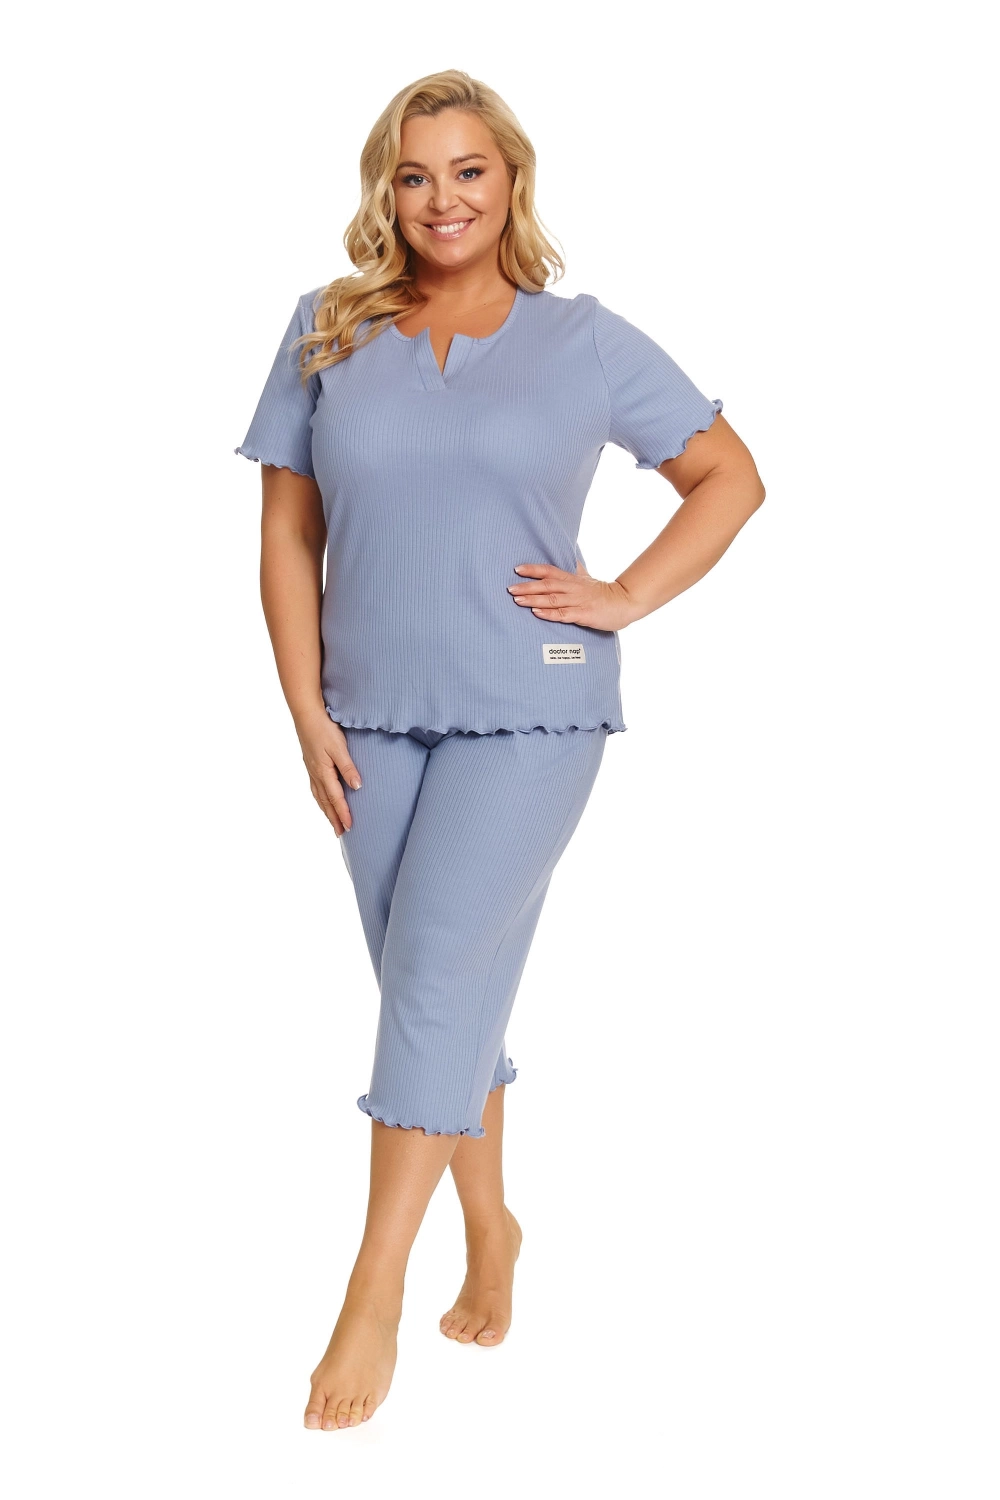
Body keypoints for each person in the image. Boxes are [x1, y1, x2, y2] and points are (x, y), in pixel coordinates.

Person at [234, 68, 765, 1432]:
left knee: (428, 978)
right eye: (415, 175)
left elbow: (731, 476)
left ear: (511, 179)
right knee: (442, 986)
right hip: (365, 717)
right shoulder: (326, 329)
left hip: (534, 706)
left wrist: (626, 595)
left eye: (468, 170)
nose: (442, 199)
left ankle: (371, 1287)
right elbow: (288, 535)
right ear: (386, 191)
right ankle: (493, 1226)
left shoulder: (583, 341)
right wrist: (304, 711)